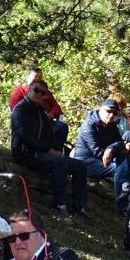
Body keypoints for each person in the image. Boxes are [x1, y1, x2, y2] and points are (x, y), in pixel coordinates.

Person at [11, 79, 89, 218]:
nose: (39, 94)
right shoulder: (20, 109)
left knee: (79, 166)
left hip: (41, 152)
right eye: (36, 90)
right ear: (29, 89)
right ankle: (60, 204)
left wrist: (58, 150)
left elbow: (49, 135)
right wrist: (48, 150)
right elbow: (24, 135)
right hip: (25, 153)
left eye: (43, 93)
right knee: (60, 163)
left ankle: (79, 207)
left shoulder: (41, 113)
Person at [71, 98, 130, 201]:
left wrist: (110, 149)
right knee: (120, 168)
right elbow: (97, 151)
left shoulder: (112, 125)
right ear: (101, 110)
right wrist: (113, 149)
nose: (111, 115)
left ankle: (125, 197)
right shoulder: (89, 125)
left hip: (101, 159)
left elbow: (120, 142)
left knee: (123, 157)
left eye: (114, 113)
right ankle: (123, 201)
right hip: (86, 163)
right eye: (108, 111)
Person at [9, 65, 67, 147]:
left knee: (61, 127)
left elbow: (57, 108)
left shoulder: (46, 92)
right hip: (30, 123)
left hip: (47, 121)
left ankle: (56, 151)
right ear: (27, 77)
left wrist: (50, 115)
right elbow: (16, 110)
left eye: (40, 78)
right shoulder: (19, 91)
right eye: (35, 77)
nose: (38, 79)